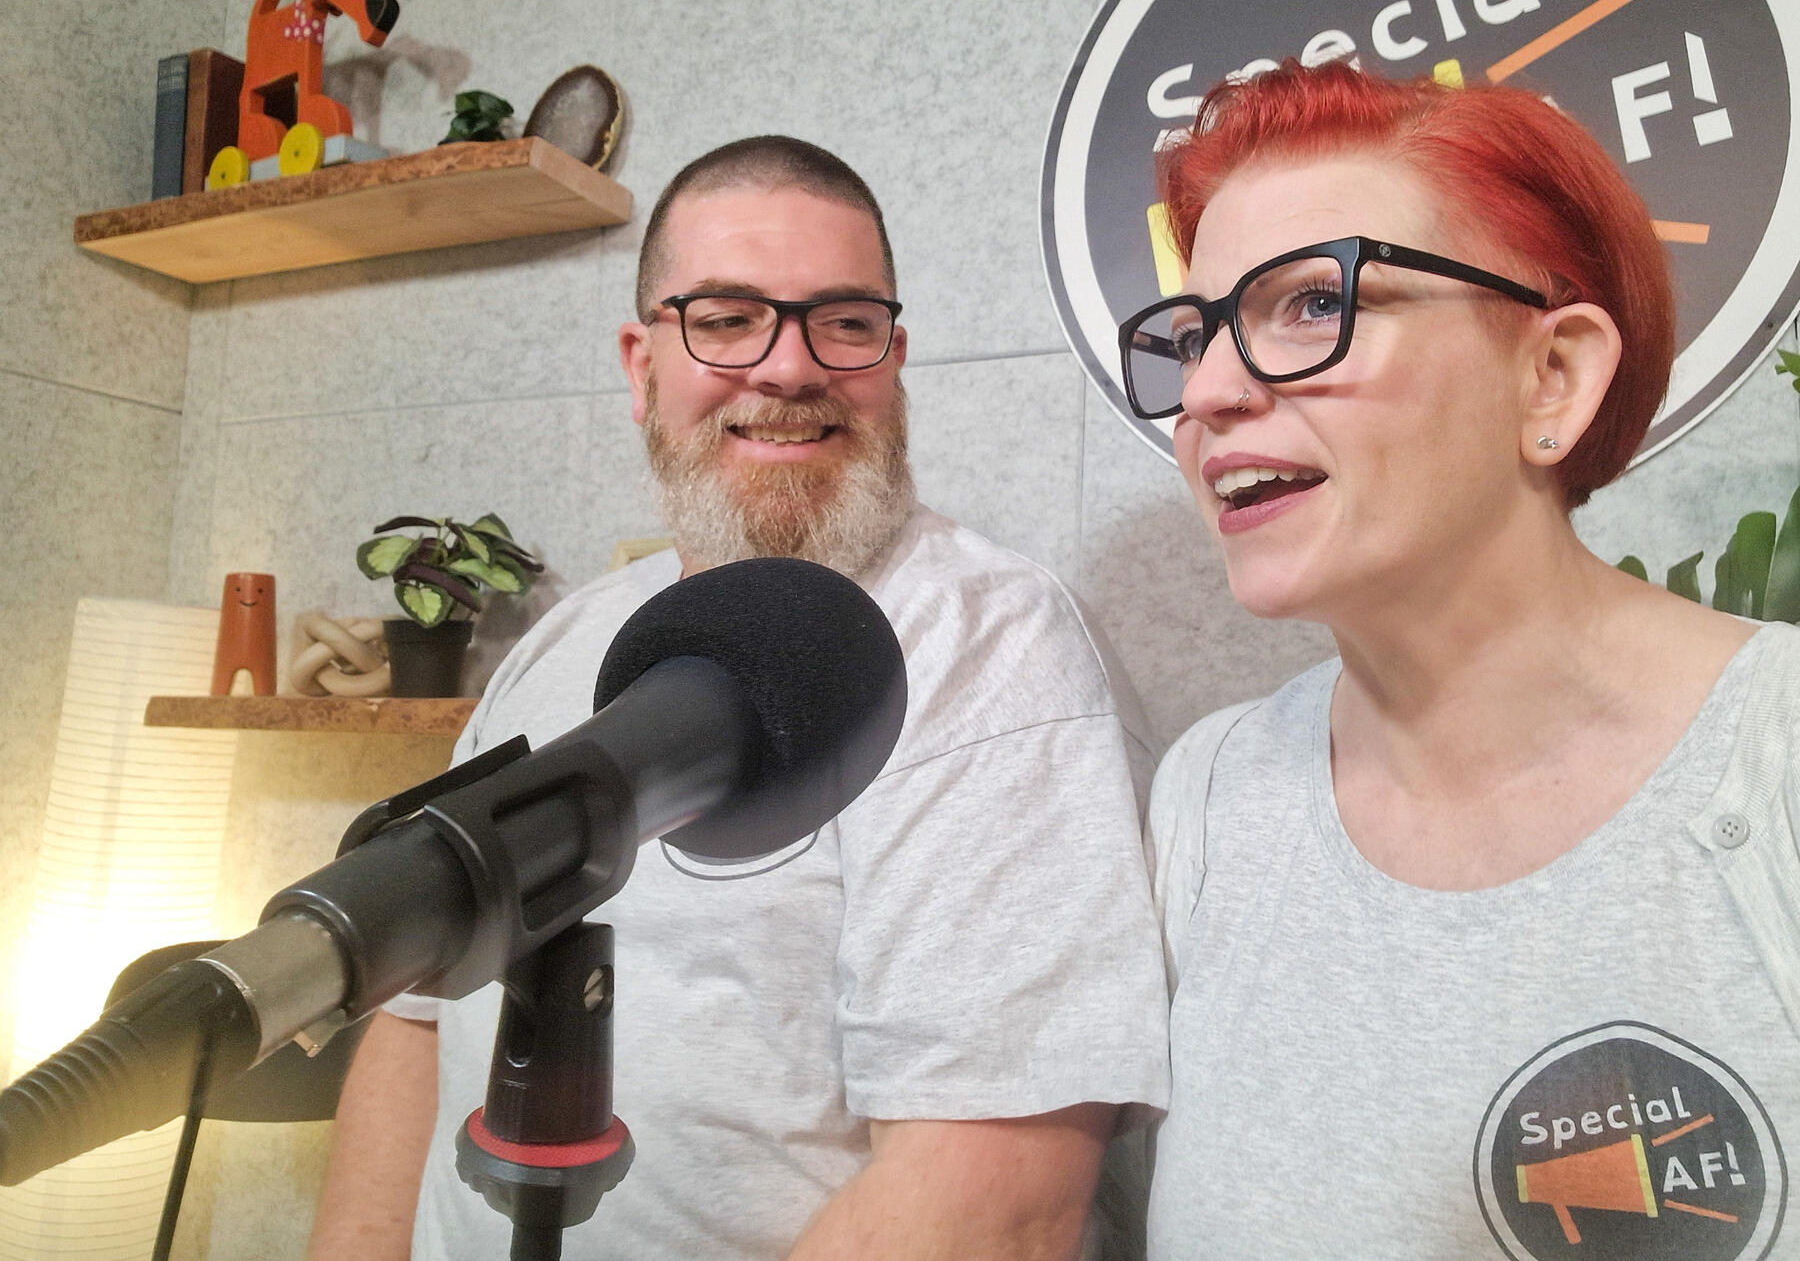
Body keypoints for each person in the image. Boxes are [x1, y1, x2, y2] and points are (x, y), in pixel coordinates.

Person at [307, 136, 1169, 1261]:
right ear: (641, 366)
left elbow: (990, 1207)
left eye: (845, 322)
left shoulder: (988, 646)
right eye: (725, 319)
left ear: (895, 359)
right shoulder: (564, 641)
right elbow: (415, 1026)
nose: (791, 368)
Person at [1122, 61, 1800, 1258]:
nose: (1210, 393)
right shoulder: (1210, 799)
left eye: (1314, 304)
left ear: (1552, 375)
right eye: (1193, 338)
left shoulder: (1777, 755)